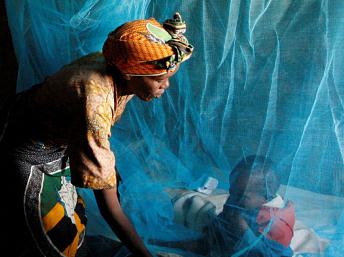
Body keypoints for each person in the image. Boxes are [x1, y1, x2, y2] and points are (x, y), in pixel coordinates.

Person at [0, 12, 193, 257]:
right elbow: (109, 207)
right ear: (129, 74)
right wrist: (143, 254)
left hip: (58, 139)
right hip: (27, 147)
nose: (165, 86)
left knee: (72, 213)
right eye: (159, 80)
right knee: (51, 236)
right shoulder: (96, 101)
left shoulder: (116, 65)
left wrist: (108, 172)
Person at [150, 155, 295, 257]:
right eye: (231, 191)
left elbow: (261, 253)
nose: (231, 199)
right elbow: (215, 238)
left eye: (241, 195)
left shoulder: (278, 224)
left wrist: (241, 226)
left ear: (266, 197)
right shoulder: (236, 205)